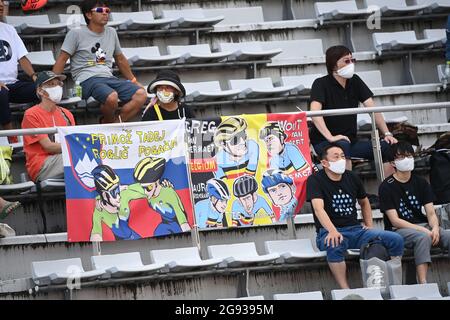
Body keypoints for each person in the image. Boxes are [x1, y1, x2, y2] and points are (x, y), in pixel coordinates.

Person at [306, 143, 404, 289]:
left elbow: (364, 202)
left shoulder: (351, 177)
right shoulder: (315, 180)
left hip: (356, 231)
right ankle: (345, 289)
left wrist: (369, 225)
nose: (341, 160)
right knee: (334, 243)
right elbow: (319, 209)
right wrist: (332, 231)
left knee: (395, 239)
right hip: (328, 231)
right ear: (324, 163)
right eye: (336, 156)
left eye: (343, 156)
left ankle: (395, 282)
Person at [53, 0, 147, 123]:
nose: (105, 13)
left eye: (107, 10)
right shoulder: (76, 33)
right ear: (89, 15)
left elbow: (120, 59)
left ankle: (112, 124)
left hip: (108, 77)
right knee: (112, 97)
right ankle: (109, 125)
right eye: (99, 10)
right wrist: (53, 83)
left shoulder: (111, 32)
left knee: (141, 94)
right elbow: (62, 59)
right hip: (86, 80)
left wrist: (134, 81)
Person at [309, 45, 397, 175]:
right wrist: (331, 137)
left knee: (386, 147)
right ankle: (349, 191)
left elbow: (373, 108)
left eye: (352, 60)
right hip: (325, 142)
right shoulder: (320, 83)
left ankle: (387, 191)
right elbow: (315, 113)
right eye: (346, 61)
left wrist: (387, 134)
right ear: (334, 65)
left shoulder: (355, 81)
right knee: (342, 146)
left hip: (351, 141)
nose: (351, 64)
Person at [379, 141, 450, 284]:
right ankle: (423, 282)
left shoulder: (421, 183)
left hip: (424, 226)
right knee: (422, 238)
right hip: (398, 230)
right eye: (401, 157)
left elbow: (431, 213)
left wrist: (435, 228)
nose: (407, 159)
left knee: (448, 235)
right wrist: (423, 230)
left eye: (409, 156)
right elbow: (395, 220)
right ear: (393, 162)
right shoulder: (386, 186)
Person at [22, 71, 76, 182]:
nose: (56, 87)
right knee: (80, 158)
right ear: (40, 91)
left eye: (58, 84)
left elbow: (74, 140)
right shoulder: (31, 114)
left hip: (63, 159)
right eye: (51, 85)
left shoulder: (67, 113)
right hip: (41, 165)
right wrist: (77, 147)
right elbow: (48, 146)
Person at [0, 0, 39, 142]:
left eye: (2, 1)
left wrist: (34, 76)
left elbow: (22, 58)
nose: (1, 4)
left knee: (42, 90)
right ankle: (12, 138)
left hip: (12, 84)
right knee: (1, 93)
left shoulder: (9, 29)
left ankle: (41, 134)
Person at [126, 156, 191, 236]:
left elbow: (181, 216)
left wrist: (189, 236)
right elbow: (129, 188)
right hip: (165, 225)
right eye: (143, 188)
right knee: (158, 232)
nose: (146, 192)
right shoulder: (147, 190)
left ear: (157, 182)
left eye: (149, 188)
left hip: (178, 226)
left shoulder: (168, 193)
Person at [90, 164, 131, 241]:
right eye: (114, 192)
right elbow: (96, 233)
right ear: (105, 195)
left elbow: (143, 187)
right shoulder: (98, 211)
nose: (119, 196)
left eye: (118, 189)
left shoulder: (125, 194)